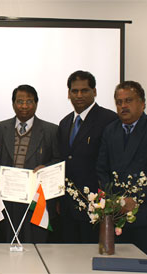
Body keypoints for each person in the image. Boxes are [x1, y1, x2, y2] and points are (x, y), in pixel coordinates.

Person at [97, 80, 147, 267]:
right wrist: (114, 200)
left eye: (128, 100)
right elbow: (101, 168)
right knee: (117, 269)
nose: (123, 106)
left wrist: (134, 199)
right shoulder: (110, 130)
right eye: (118, 102)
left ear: (142, 103)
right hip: (117, 219)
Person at [0, 84, 60, 243]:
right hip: (7, 199)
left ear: (36, 103)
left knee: (35, 244)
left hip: (36, 200)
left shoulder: (51, 130)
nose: (24, 106)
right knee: (7, 243)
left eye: (29, 101)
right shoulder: (0, 128)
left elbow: (58, 160)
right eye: (19, 101)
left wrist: (46, 168)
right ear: (13, 103)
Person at [58, 70, 117, 243]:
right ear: (68, 94)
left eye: (84, 90)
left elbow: (112, 163)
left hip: (97, 208)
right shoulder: (64, 123)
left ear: (95, 92)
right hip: (68, 208)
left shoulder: (109, 120)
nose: (79, 95)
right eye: (74, 91)